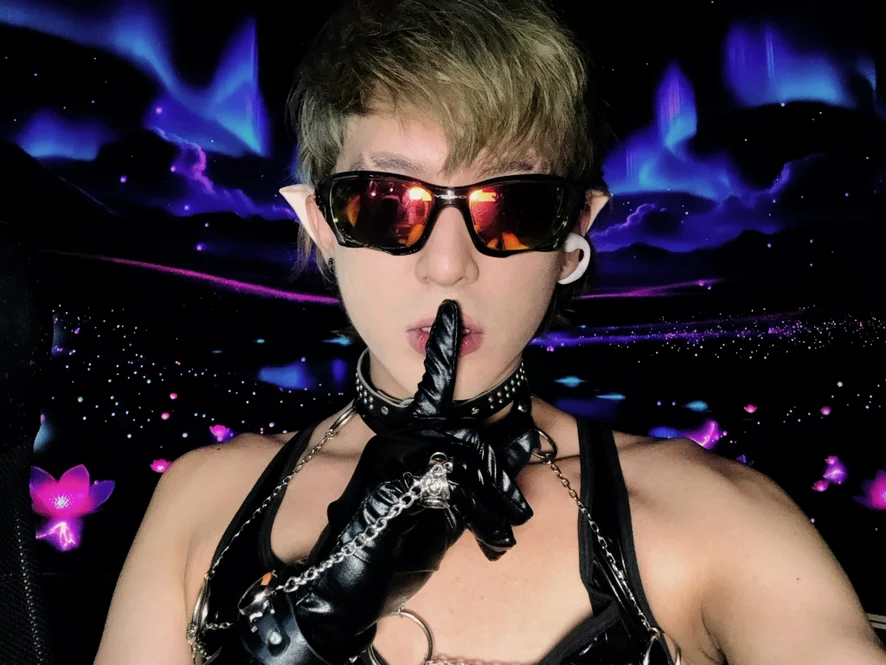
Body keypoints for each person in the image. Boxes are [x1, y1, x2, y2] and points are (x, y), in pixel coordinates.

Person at [93, 1, 886, 664]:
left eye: (512, 206)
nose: (448, 267)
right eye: (386, 202)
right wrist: (308, 626)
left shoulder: (711, 519)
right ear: (320, 224)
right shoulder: (205, 503)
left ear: (574, 233)